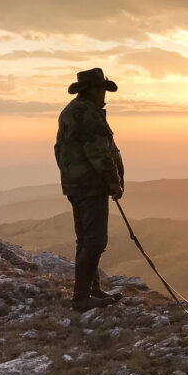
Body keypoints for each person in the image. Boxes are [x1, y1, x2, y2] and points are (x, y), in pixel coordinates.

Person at [54, 68, 125, 310]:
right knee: (95, 241)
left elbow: (59, 150)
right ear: (95, 90)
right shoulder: (88, 115)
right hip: (90, 186)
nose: (105, 94)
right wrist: (113, 182)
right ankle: (82, 298)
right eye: (103, 89)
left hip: (75, 185)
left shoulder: (71, 111)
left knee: (85, 240)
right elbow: (99, 153)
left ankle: (90, 291)